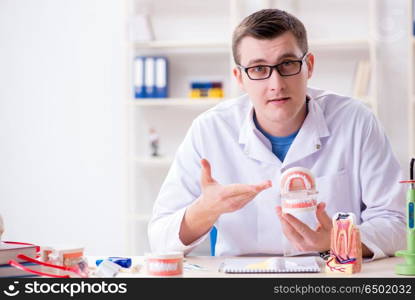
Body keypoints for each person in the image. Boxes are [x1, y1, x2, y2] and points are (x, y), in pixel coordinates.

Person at [148, 9, 406, 259]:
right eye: (259, 69)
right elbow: (160, 238)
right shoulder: (209, 130)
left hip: (329, 274)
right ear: (239, 77)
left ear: (309, 66)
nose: (276, 84)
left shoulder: (355, 121)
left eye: (287, 64)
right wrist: (204, 210)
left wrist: (337, 241)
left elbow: (398, 222)